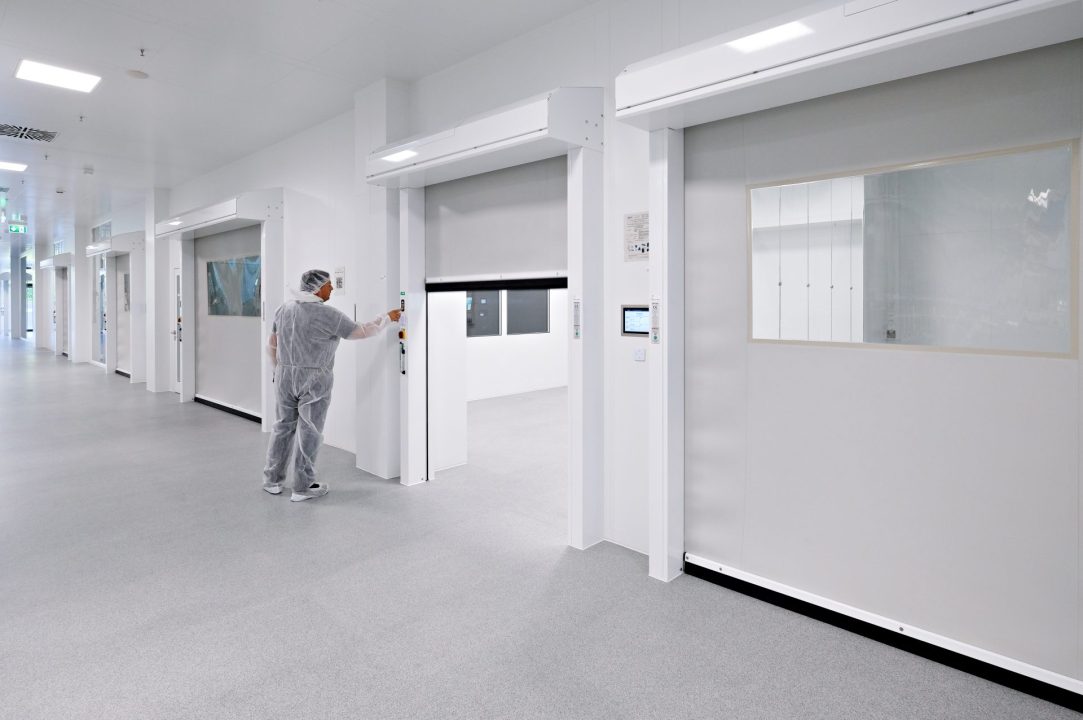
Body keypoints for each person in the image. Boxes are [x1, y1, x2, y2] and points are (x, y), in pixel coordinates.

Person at [262, 269, 401, 501]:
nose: (332, 288)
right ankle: (302, 488)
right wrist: (387, 318)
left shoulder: (284, 309)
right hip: (314, 380)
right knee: (310, 431)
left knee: (282, 427)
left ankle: (272, 481)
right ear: (318, 288)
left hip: (284, 377)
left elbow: (272, 344)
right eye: (329, 284)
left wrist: (277, 369)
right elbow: (362, 331)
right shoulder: (328, 315)